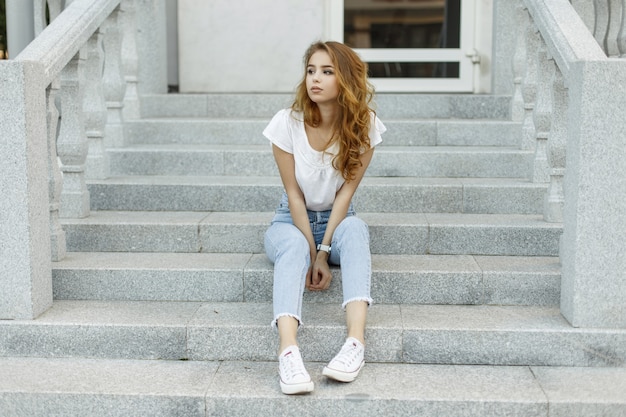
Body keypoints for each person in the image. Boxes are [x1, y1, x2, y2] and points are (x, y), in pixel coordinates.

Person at [263, 40, 386, 395]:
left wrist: (324, 249)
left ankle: (355, 344)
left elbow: (345, 194)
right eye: (311, 70)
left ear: (345, 79)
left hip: (337, 218)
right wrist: (310, 250)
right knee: (292, 248)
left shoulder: (365, 126)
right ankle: (288, 352)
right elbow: (294, 195)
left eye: (327, 71)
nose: (315, 79)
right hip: (291, 220)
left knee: (357, 229)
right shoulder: (286, 123)